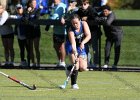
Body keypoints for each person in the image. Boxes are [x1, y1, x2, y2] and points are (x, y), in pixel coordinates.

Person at [66, 14, 91, 89]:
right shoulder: (71, 30)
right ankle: (74, 84)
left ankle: (69, 68)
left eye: (76, 23)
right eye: (73, 23)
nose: (75, 25)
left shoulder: (84, 24)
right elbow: (73, 43)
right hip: (71, 46)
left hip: (81, 45)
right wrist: (75, 53)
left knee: (83, 68)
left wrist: (83, 43)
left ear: (80, 20)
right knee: (76, 65)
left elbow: (88, 35)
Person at [76, 0, 102, 68]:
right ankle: (87, 63)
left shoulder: (92, 10)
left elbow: (97, 20)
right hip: (84, 32)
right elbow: (75, 18)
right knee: (85, 48)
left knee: (94, 48)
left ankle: (95, 64)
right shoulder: (80, 10)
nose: (83, 5)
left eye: (85, 4)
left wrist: (87, 19)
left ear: (88, 4)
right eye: (82, 4)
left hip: (93, 32)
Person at [23, 0, 41, 67]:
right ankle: (33, 62)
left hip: (36, 31)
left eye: (35, 3)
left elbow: (36, 18)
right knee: (30, 48)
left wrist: (29, 22)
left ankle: (38, 63)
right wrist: (28, 12)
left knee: (36, 48)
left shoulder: (37, 10)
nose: (34, 4)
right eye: (33, 3)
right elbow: (25, 20)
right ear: (30, 3)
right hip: (28, 31)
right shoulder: (26, 10)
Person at [49, 0, 66, 67]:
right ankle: (60, 61)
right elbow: (52, 16)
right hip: (55, 30)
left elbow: (64, 16)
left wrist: (62, 18)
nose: (54, 0)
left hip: (62, 30)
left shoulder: (63, 6)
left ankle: (63, 62)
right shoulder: (53, 7)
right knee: (56, 46)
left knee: (61, 46)